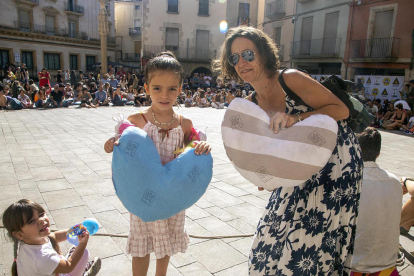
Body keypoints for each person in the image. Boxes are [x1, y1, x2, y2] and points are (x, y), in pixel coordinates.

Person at [214, 26, 363, 275]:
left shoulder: (290, 79)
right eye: (234, 57)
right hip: (297, 165)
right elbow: (268, 147)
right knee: (267, 242)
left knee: (310, 240)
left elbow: (341, 110)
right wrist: (264, 174)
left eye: (248, 54)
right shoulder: (251, 104)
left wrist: (297, 118)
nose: (241, 62)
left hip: (335, 163)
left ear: (263, 54)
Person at [103, 51, 212, 276]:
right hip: (144, 193)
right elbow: (124, 149)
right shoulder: (136, 121)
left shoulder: (185, 124)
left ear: (180, 89)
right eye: (157, 88)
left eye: (172, 88)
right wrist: (111, 143)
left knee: (166, 243)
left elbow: (189, 152)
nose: (165, 95)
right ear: (146, 88)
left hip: (171, 193)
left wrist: (200, 147)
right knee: (141, 245)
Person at [350, 127, 402, 275]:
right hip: (386, 268)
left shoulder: (349, 182)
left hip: (353, 267)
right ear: (378, 154)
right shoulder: (395, 182)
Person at [2, 199, 101, 276]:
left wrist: (74, 230)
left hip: (49, 268)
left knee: (80, 252)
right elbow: (69, 266)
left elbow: (54, 236)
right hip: (62, 268)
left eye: (41, 214)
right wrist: (83, 244)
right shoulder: (41, 258)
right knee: (83, 251)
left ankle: (65, 260)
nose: (41, 220)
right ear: (19, 234)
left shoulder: (29, 240)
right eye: (31, 221)